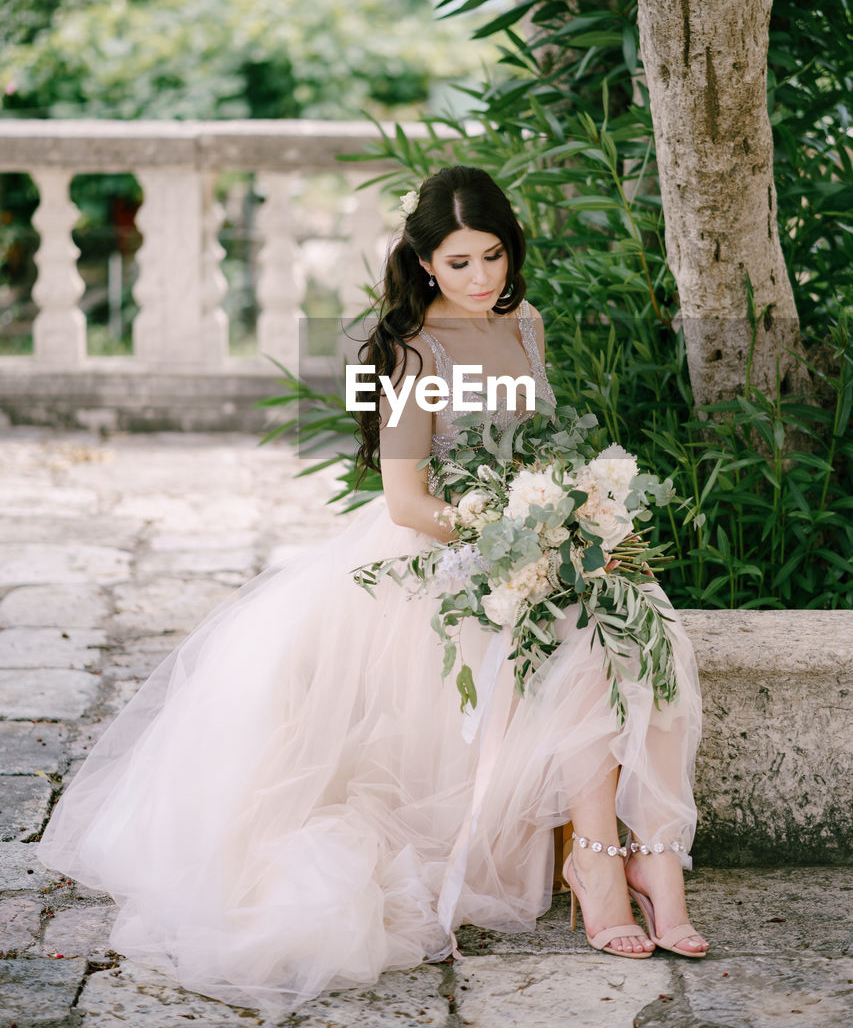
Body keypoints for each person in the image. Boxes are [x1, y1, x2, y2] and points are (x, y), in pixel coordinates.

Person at [36, 165, 707, 1016]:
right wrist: (516, 537)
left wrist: (574, 517)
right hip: (441, 546)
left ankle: (646, 853)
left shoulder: (524, 323)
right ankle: (601, 863)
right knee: (573, 646)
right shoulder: (410, 348)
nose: (480, 278)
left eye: (493, 256)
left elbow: (532, 450)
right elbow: (405, 500)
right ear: (425, 264)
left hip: (525, 530)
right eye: (458, 263)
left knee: (642, 620)